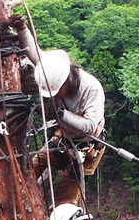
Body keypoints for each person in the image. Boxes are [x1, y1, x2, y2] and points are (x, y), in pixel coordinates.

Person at [11, 14, 106, 207]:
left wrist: (61, 113)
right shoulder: (54, 69)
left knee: (64, 205)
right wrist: (22, 28)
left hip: (85, 147)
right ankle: (24, 204)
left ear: (66, 81)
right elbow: (35, 53)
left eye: (56, 92)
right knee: (28, 170)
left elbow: (89, 126)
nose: (54, 96)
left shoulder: (91, 89)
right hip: (63, 139)